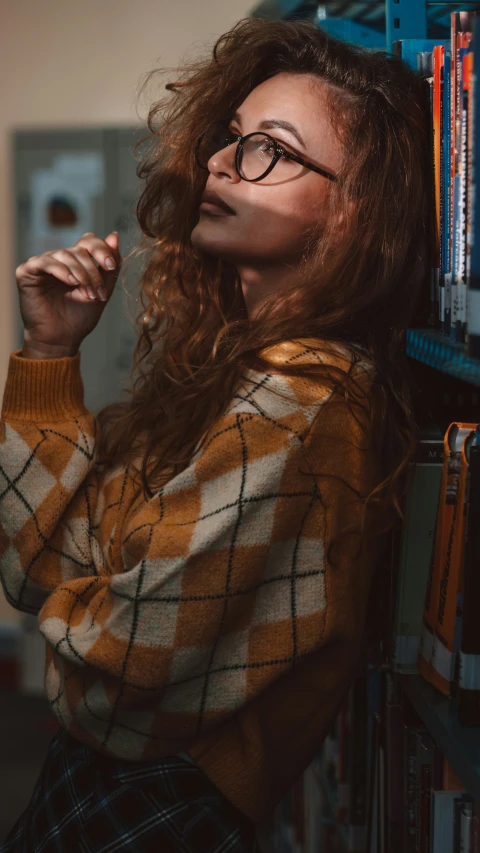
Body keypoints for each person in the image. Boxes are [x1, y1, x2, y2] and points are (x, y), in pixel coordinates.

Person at [0, 15, 433, 853]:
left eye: (267, 148)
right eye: (229, 138)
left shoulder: (305, 400)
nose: (219, 162)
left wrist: (83, 620)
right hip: (105, 789)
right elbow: (40, 567)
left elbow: (113, 680)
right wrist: (51, 353)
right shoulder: (237, 375)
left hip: (156, 809)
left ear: (353, 215)